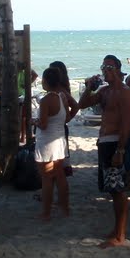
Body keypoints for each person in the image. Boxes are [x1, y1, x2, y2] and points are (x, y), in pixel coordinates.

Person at [79, 54, 130, 248]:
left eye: (110, 67)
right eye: (103, 67)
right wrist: (88, 87)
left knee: (119, 190)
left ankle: (120, 235)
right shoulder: (105, 92)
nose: (106, 70)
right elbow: (82, 104)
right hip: (104, 142)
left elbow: (127, 123)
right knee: (112, 190)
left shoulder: (125, 92)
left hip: (115, 144)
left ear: (119, 69)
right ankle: (116, 229)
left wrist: (120, 150)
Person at [34, 67, 70, 220]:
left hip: (47, 142)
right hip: (60, 141)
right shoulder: (62, 97)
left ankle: (46, 213)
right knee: (60, 176)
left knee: (47, 178)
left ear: (47, 81)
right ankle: (65, 208)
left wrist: (32, 121)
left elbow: (43, 124)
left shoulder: (46, 100)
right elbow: (67, 117)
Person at [48, 61, 80, 176]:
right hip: (59, 128)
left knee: (59, 159)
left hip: (58, 129)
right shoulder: (60, 89)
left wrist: (67, 119)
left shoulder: (61, 90)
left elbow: (76, 106)